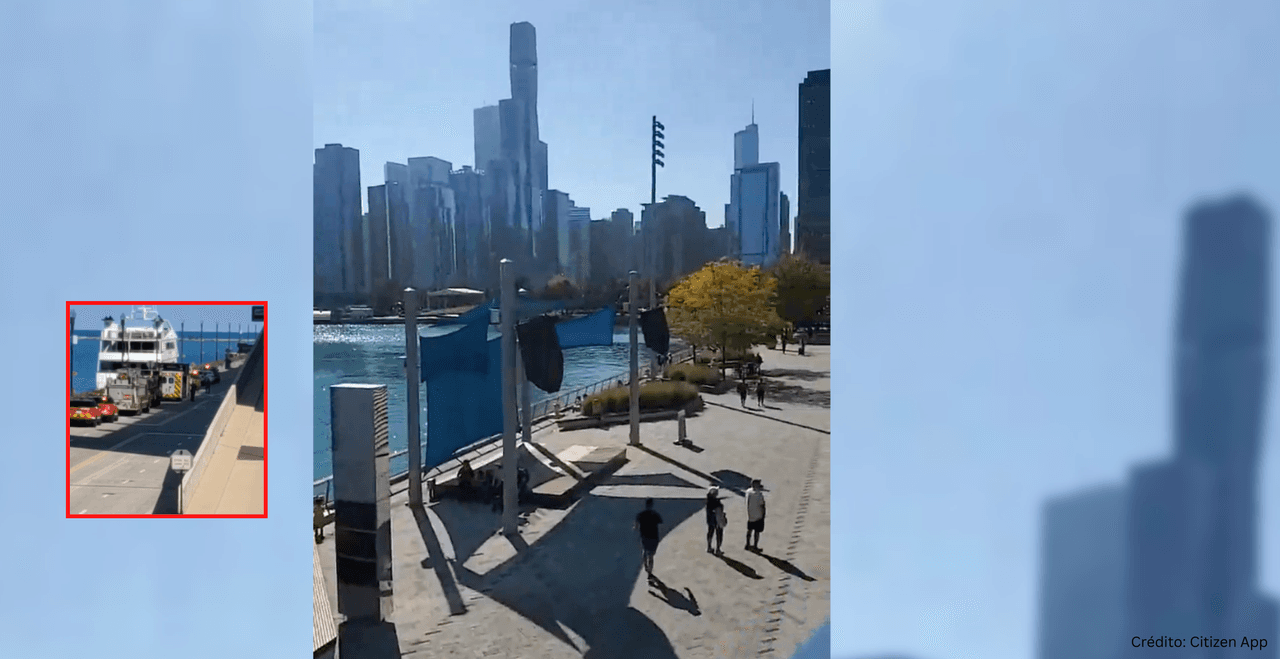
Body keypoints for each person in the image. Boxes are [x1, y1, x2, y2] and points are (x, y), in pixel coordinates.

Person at [634, 498, 664, 579]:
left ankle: (646, 566)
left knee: (645, 551)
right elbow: (661, 524)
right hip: (654, 537)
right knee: (651, 556)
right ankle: (649, 572)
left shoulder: (641, 515)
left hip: (644, 536)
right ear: (652, 505)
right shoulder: (655, 515)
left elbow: (636, 526)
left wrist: (637, 528)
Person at [745, 479, 767, 552]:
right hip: (758, 515)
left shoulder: (748, 491)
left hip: (750, 514)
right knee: (757, 532)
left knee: (749, 530)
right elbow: (762, 505)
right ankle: (755, 546)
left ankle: (747, 544)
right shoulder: (759, 494)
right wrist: (763, 514)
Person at [705, 487, 726, 554]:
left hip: (710, 520)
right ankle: (718, 549)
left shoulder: (708, 501)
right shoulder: (716, 502)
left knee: (710, 532)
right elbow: (719, 510)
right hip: (717, 520)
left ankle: (709, 547)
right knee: (719, 534)